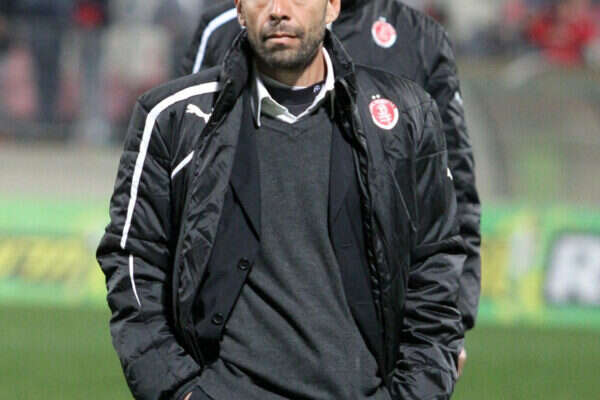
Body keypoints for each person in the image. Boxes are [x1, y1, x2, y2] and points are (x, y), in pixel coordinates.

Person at [97, 0, 466, 398]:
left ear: (332, 7)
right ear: (240, 9)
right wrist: (178, 390)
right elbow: (133, 264)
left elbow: (435, 271)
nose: (278, 9)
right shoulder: (170, 118)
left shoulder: (406, 117)